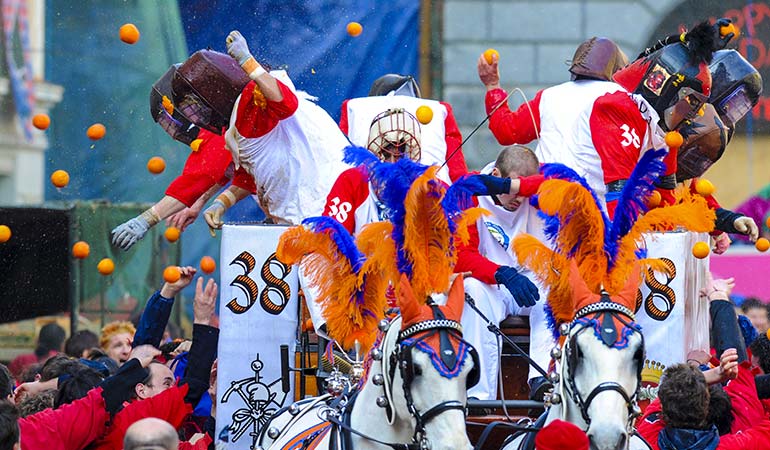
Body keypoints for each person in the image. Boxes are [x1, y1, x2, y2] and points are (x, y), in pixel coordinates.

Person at [480, 25, 720, 217]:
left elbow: (506, 132)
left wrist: (493, 87)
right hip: (597, 226)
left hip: (540, 216)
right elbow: (652, 185)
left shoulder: (550, 96)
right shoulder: (630, 105)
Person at [201, 30, 351, 229]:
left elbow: (286, 103)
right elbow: (249, 176)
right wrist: (221, 203)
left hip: (322, 206)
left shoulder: (254, 99)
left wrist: (247, 61)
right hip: (298, 217)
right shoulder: (240, 125)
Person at [110, 65, 257, 250]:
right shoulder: (238, 107)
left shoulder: (230, 119)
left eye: (185, 106)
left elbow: (201, 175)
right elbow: (229, 168)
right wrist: (200, 201)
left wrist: (145, 220)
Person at [453, 145, 549, 401]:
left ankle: (541, 378)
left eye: (524, 189)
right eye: (512, 186)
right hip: (491, 282)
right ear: (495, 173)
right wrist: (501, 273)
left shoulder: (530, 192)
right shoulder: (471, 190)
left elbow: (565, 183)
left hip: (528, 280)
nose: (519, 198)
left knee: (555, 290)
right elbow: (462, 256)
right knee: (471, 291)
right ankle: (478, 395)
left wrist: (514, 187)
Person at [339, 73, 468, 183]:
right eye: (387, 151)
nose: (394, 159)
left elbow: (459, 179)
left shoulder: (433, 188)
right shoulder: (353, 185)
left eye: (401, 149)